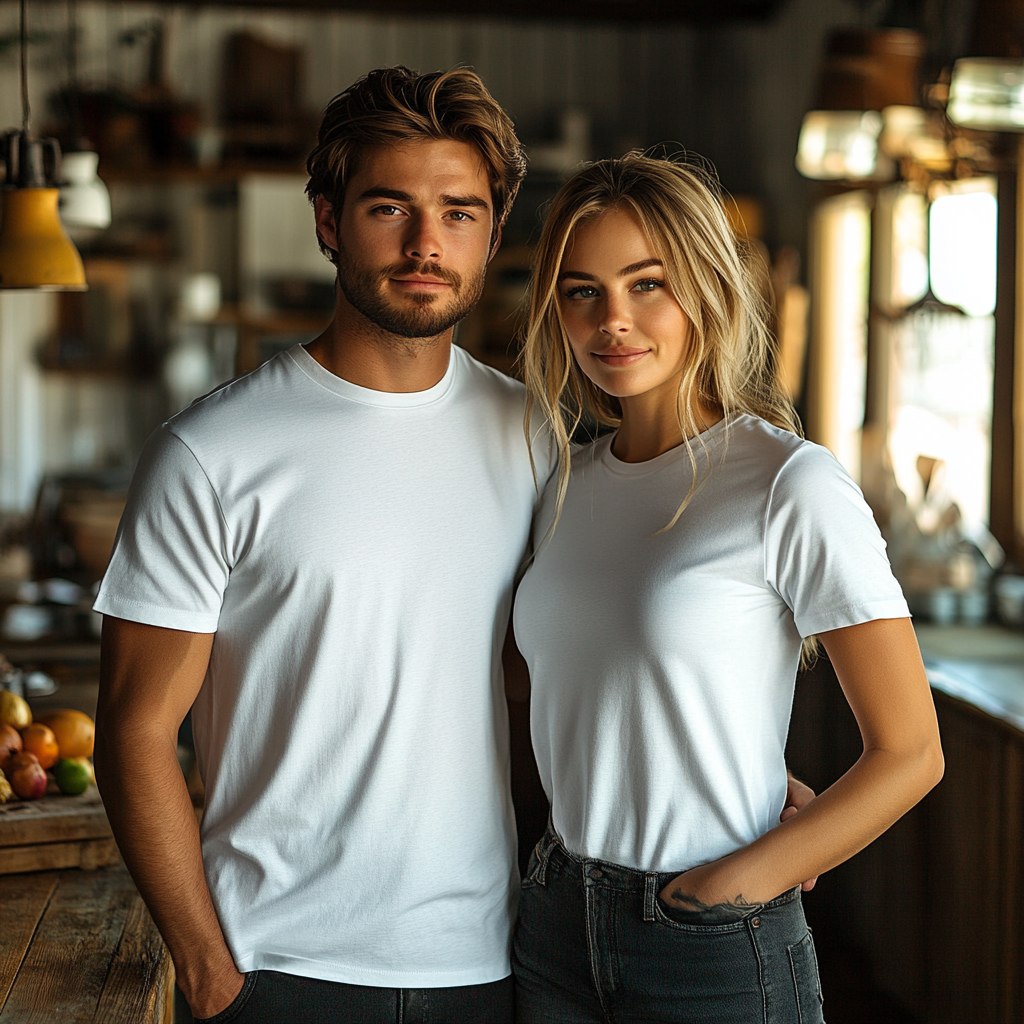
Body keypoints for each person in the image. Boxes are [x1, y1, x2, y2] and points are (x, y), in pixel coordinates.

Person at [93, 66, 545, 1024]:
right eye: (391, 207)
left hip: (485, 964)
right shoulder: (212, 453)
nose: (428, 244)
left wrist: (744, 784)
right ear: (329, 220)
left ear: (494, 235)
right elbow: (134, 732)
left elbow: (585, 663)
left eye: (460, 213)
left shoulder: (537, 439)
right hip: (275, 969)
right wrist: (211, 975)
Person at [510, 153, 945, 1023]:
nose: (613, 322)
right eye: (581, 290)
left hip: (705, 943)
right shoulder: (559, 482)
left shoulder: (788, 483)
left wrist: (732, 887)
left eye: (648, 285)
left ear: (707, 287)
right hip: (553, 923)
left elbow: (911, 753)